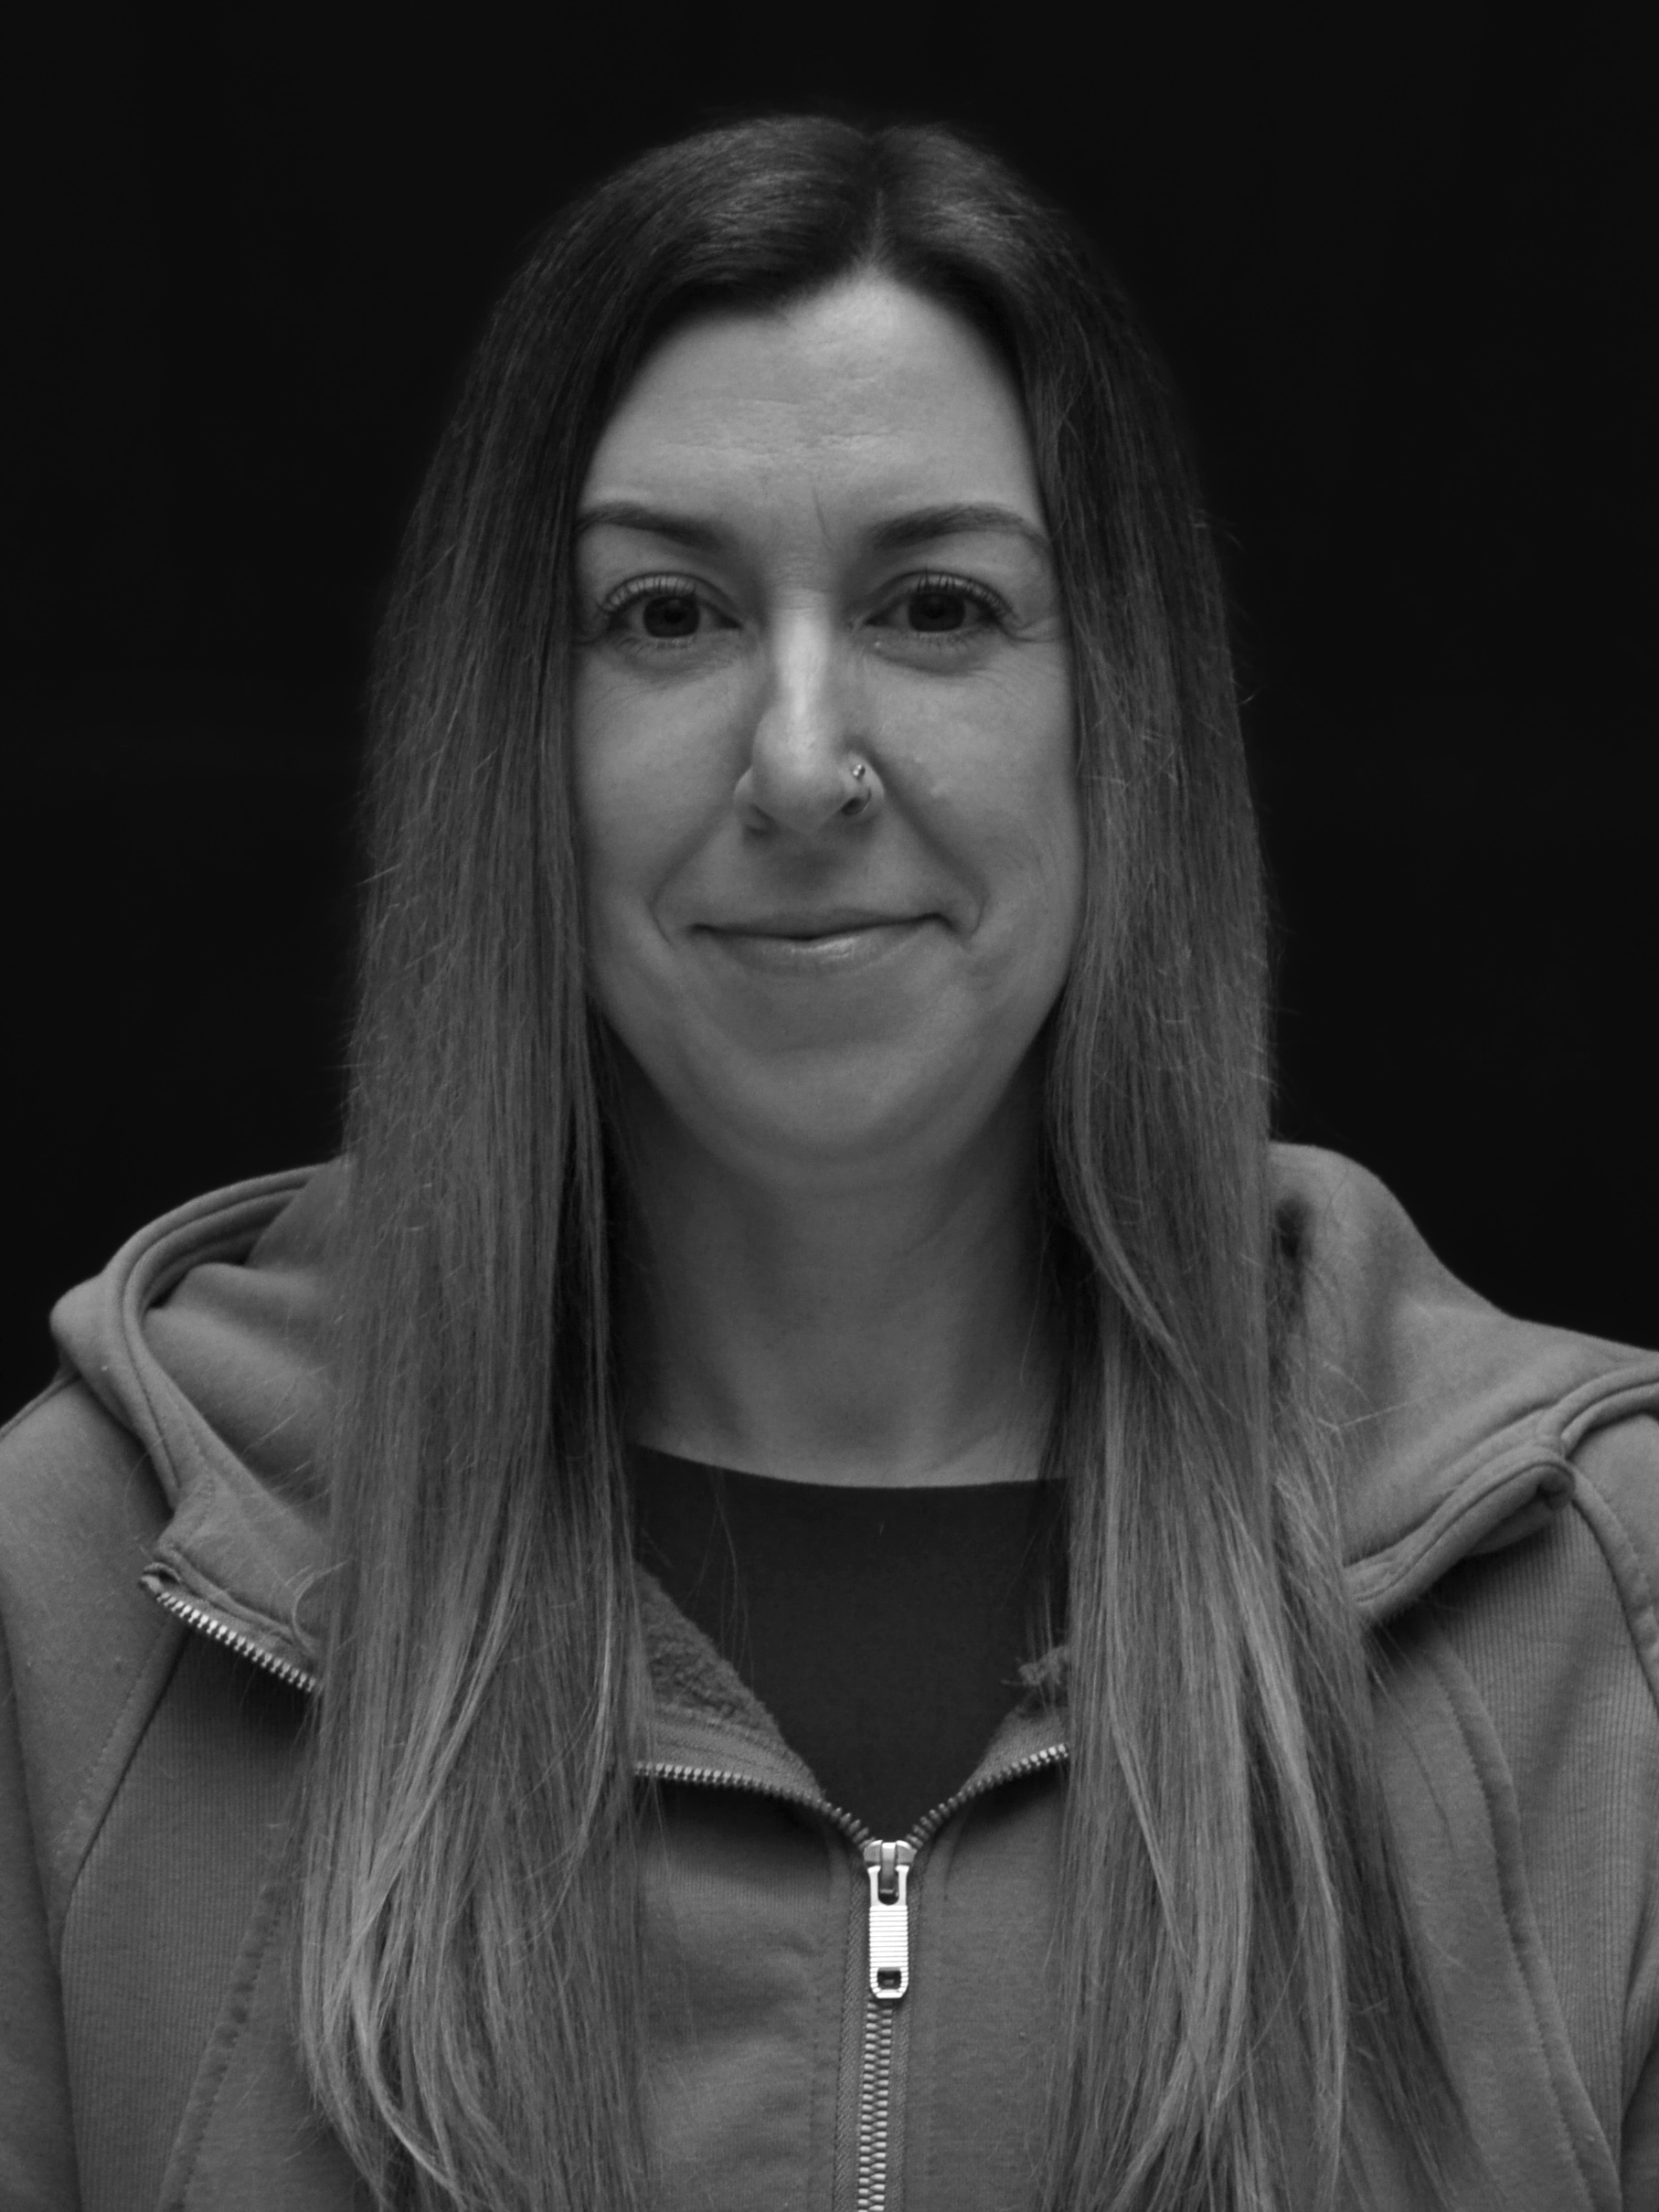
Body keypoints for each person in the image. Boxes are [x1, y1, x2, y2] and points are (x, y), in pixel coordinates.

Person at [3, 112, 1657, 2212]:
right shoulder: (77, 1599)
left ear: (1118, 718)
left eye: (939, 604)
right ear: (513, 732)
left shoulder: (1595, 1617)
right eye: (667, 614)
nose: (800, 762)